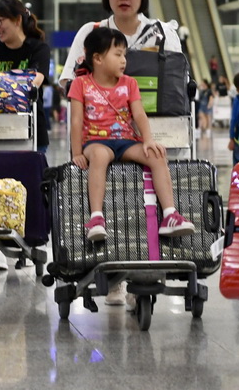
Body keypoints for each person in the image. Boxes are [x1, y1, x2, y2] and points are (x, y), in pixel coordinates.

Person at [69, 27, 196, 305]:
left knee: (157, 156)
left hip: (127, 141)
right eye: (118, 54)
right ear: (98, 59)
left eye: (124, 54)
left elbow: (139, 114)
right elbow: (77, 121)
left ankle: (170, 215)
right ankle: (96, 218)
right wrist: (77, 152)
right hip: (96, 142)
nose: (124, 59)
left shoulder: (129, 83)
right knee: (100, 158)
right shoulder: (81, 84)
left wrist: (149, 140)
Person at [59, 0, 183, 93]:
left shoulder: (163, 34)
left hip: (154, 113)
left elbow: (178, 81)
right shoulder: (91, 32)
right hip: (101, 112)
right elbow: (68, 80)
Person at [0, 0, 51, 155]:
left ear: (17, 20)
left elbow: (36, 80)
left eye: (0, 21)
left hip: (32, 131)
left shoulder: (38, 49)